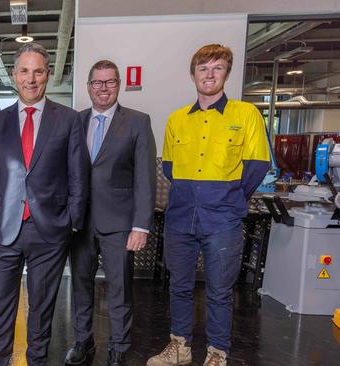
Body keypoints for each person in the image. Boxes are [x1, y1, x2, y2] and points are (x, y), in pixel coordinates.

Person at [147, 44, 270, 366]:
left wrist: (229, 198)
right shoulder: (177, 119)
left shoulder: (246, 114)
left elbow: (257, 165)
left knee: (219, 291)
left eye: (217, 68)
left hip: (223, 219)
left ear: (226, 73)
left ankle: (217, 352)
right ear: (193, 74)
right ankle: (180, 347)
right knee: (180, 287)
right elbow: (170, 168)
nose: (209, 74)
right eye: (203, 69)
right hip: (181, 215)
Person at [0, 42, 90, 366]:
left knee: (41, 311)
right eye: (24, 71)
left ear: (48, 75)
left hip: (50, 233)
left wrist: (71, 223)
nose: (31, 78)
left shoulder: (68, 120)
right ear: (14, 76)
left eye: (38, 71)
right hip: (3, 230)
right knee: (0, 309)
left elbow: (78, 177)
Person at [65, 60, 156, 366]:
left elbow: (145, 177)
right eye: (97, 83)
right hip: (79, 223)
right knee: (80, 285)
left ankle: (118, 346)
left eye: (109, 82)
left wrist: (141, 226)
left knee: (119, 288)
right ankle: (83, 342)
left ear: (119, 85)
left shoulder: (137, 121)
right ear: (89, 87)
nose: (103, 88)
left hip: (119, 223)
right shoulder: (74, 122)